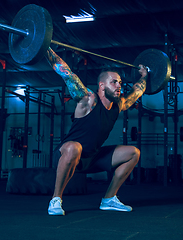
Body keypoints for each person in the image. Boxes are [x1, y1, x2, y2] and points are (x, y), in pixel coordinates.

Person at [46, 47, 148, 216]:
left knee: (133, 152)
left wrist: (145, 75)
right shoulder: (88, 100)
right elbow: (66, 73)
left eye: (120, 83)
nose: (119, 86)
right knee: (74, 147)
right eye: (114, 82)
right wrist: (46, 49)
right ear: (101, 85)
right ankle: (56, 200)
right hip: (67, 154)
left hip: (92, 158)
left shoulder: (118, 105)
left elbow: (137, 91)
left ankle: (109, 199)